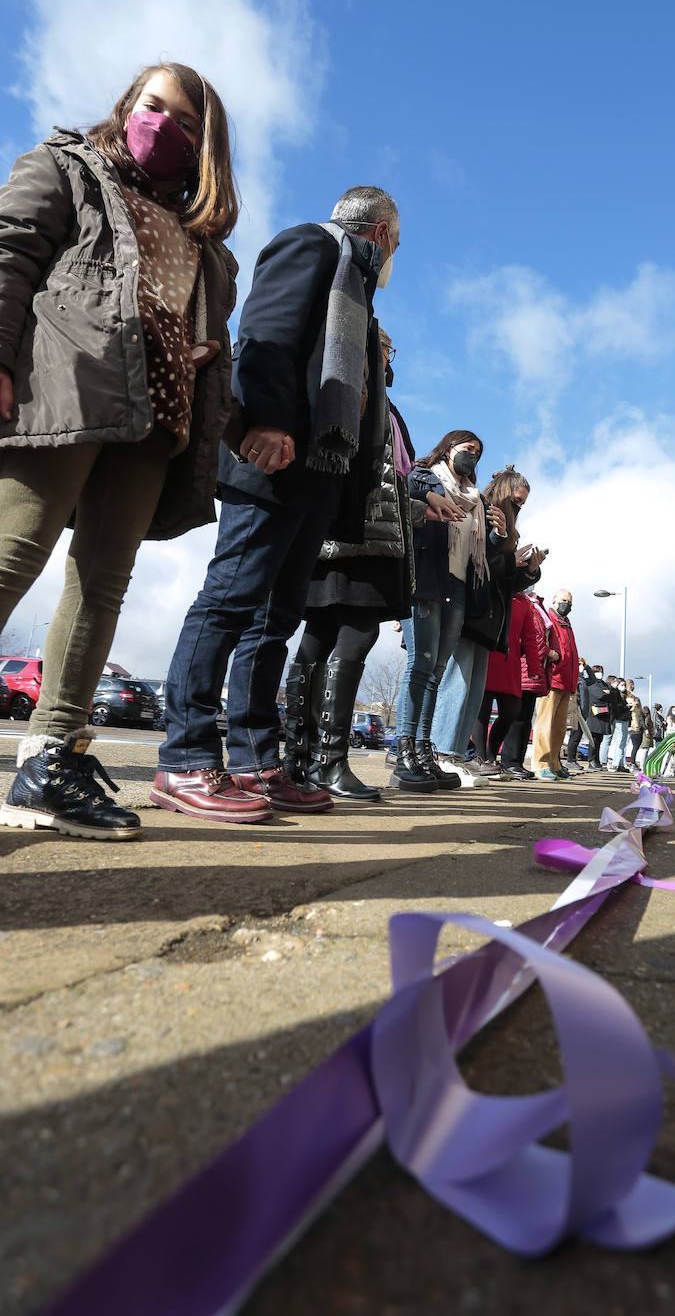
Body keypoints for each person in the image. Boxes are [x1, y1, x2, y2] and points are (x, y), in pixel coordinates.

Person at [0, 62, 238, 841]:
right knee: (13, 552)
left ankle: (50, 757)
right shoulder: (67, 168)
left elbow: (207, 339)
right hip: (66, 383)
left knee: (103, 585)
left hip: (155, 416)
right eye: (152, 106)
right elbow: (11, 251)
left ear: (208, 150)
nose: (163, 125)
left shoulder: (211, 251)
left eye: (187, 123)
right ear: (125, 106)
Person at [152, 185, 400, 823]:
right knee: (231, 601)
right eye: (394, 244)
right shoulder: (313, 245)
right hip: (271, 457)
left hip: (316, 475)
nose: (393, 257)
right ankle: (185, 758)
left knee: (275, 620)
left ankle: (257, 760)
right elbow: (264, 334)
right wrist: (263, 419)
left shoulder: (360, 296)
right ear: (381, 234)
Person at [282, 329, 457, 801]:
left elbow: (390, 483)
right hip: (353, 535)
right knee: (347, 632)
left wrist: (422, 509)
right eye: (382, 346)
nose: (387, 355)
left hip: (362, 532)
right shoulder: (350, 389)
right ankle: (323, 759)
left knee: (321, 634)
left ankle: (302, 759)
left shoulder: (385, 406)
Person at [389, 430, 505, 791]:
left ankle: (425, 752)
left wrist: (498, 534)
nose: (472, 457)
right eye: (467, 449)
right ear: (448, 448)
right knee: (420, 664)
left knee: (437, 670)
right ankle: (404, 750)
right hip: (426, 577)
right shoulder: (424, 476)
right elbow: (405, 498)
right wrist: (428, 498)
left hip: (457, 585)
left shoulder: (476, 498)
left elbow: (481, 550)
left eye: (478, 453)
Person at [432, 465, 545, 783]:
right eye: (517, 500)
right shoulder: (481, 509)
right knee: (457, 681)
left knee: (471, 687)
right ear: (504, 491)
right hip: (472, 608)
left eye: (523, 503)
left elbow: (506, 581)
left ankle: (454, 754)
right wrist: (508, 554)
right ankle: (442, 751)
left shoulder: (507, 524)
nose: (519, 507)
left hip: (492, 615)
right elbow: (477, 562)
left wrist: (528, 570)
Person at [472, 590, 543, 776]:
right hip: (485, 656)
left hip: (509, 663)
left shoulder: (524, 603)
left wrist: (535, 668)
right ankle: (480, 758)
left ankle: (490, 754)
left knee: (511, 710)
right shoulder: (494, 591)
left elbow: (529, 637)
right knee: (482, 710)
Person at [500, 588, 551, 779]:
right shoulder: (522, 604)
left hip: (531, 669)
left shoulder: (535, 607)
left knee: (524, 719)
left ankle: (516, 761)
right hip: (522, 667)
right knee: (516, 717)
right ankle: (509, 761)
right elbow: (529, 637)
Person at [531, 589, 579, 780]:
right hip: (553, 679)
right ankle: (541, 763)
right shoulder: (548, 618)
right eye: (563, 600)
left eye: (569, 602)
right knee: (545, 723)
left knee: (559, 727)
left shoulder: (566, 623)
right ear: (554, 600)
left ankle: (554, 763)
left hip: (566, 681)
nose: (566, 604)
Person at [580, 662, 614, 768]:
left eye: (601, 672)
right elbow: (599, 695)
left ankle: (597, 760)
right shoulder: (592, 683)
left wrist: (607, 693)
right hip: (594, 714)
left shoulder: (603, 684)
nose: (600, 674)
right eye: (598, 672)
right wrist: (605, 693)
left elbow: (611, 695)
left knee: (599, 740)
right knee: (593, 739)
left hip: (603, 715)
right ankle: (591, 760)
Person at [607, 674, 631, 772]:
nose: (623, 686)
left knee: (622, 743)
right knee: (619, 742)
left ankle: (619, 763)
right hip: (619, 719)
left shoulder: (625, 694)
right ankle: (616, 763)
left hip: (624, 719)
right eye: (621, 684)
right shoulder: (616, 694)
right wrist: (627, 705)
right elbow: (617, 706)